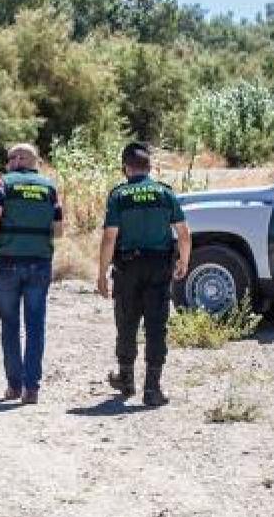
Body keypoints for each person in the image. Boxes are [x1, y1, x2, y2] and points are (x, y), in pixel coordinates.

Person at [96, 142, 191, 407]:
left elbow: (109, 237)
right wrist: (184, 260)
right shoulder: (165, 193)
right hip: (159, 267)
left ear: (125, 167)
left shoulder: (119, 196)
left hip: (128, 268)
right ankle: (152, 389)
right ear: (149, 168)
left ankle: (126, 380)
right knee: (156, 326)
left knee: (126, 322)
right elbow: (183, 233)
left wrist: (102, 273)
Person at [0, 143, 63, 405]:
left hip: (7, 263)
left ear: (16, 160)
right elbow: (59, 230)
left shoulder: (2, 184)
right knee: (35, 325)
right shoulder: (49, 187)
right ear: (34, 161)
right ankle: (32, 388)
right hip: (39, 263)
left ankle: (14, 386)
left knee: (10, 325)